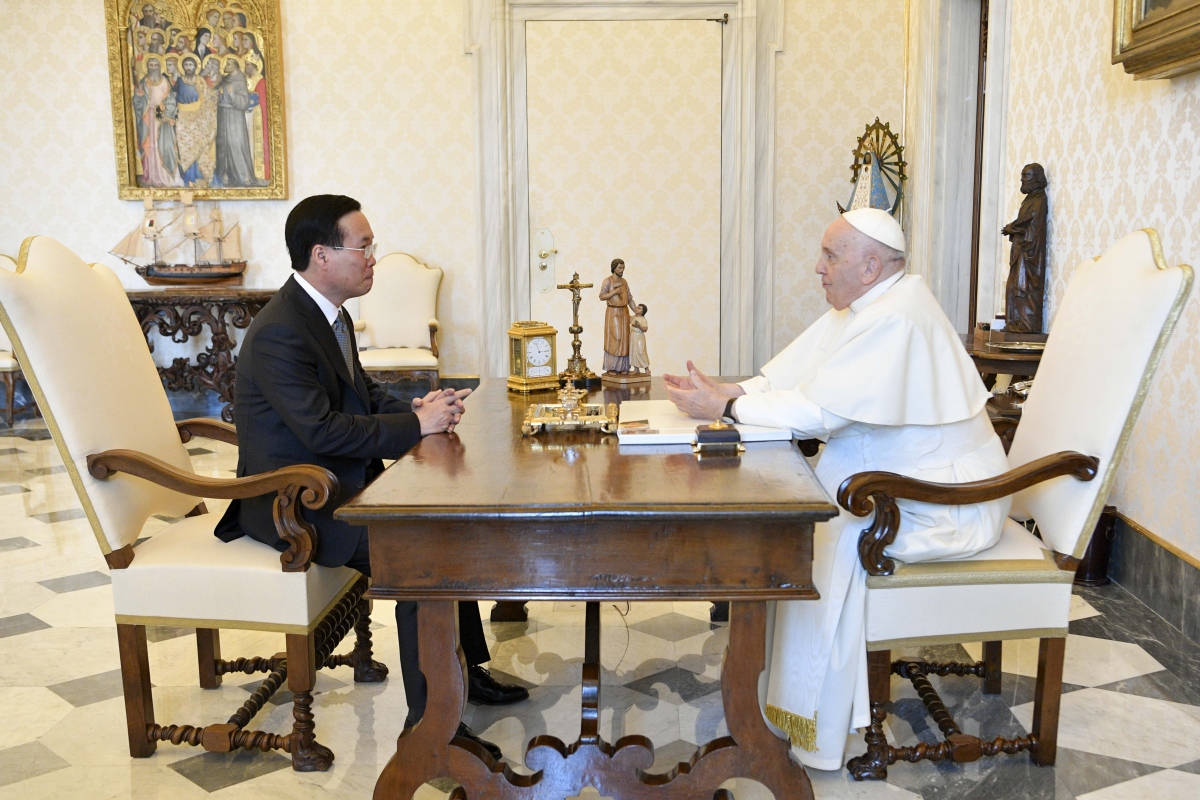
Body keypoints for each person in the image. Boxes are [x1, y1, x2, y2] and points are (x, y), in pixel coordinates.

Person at [664, 208, 1009, 770]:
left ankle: (809, 719)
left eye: (830, 256)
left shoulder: (897, 317)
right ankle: (772, 696)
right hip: (901, 485)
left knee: (808, 534)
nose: (817, 268)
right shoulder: (867, 306)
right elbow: (791, 381)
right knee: (791, 524)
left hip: (945, 505)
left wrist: (725, 408)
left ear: (870, 266)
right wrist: (727, 392)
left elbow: (820, 412)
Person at [215, 195, 528, 759]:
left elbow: (360, 394)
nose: (372, 257)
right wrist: (415, 427)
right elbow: (323, 431)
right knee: (423, 555)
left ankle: (463, 674)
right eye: (363, 246)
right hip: (294, 503)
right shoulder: (281, 331)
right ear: (322, 255)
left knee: (446, 525)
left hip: (335, 485)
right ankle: (431, 729)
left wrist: (417, 409)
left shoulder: (327, 314)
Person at [213, 56, 256, 187]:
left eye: (228, 64)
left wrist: (232, 96)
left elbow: (244, 101)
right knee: (223, 144)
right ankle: (225, 175)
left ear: (235, 66)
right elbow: (216, 94)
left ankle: (243, 176)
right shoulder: (224, 79)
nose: (225, 66)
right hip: (222, 113)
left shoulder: (240, 80)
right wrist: (217, 95)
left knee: (235, 143)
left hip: (235, 116)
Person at [599, 257, 637, 373]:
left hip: (624, 311)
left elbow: (629, 298)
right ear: (614, 268)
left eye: (623, 268)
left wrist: (636, 311)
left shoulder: (624, 282)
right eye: (620, 268)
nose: (622, 270)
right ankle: (612, 367)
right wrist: (615, 292)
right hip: (613, 311)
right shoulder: (608, 281)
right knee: (616, 337)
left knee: (625, 339)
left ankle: (623, 367)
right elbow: (602, 296)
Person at [629, 303, 649, 374]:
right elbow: (627, 318)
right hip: (632, 336)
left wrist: (639, 326)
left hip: (639, 336)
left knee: (641, 352)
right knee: (633, 352)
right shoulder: (633, 317)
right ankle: (636, 369)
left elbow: (645, 329)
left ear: (643, 312)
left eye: (639, 308)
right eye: (637, 307)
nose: (637, 309)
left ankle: (646, 368)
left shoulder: (643, 319)